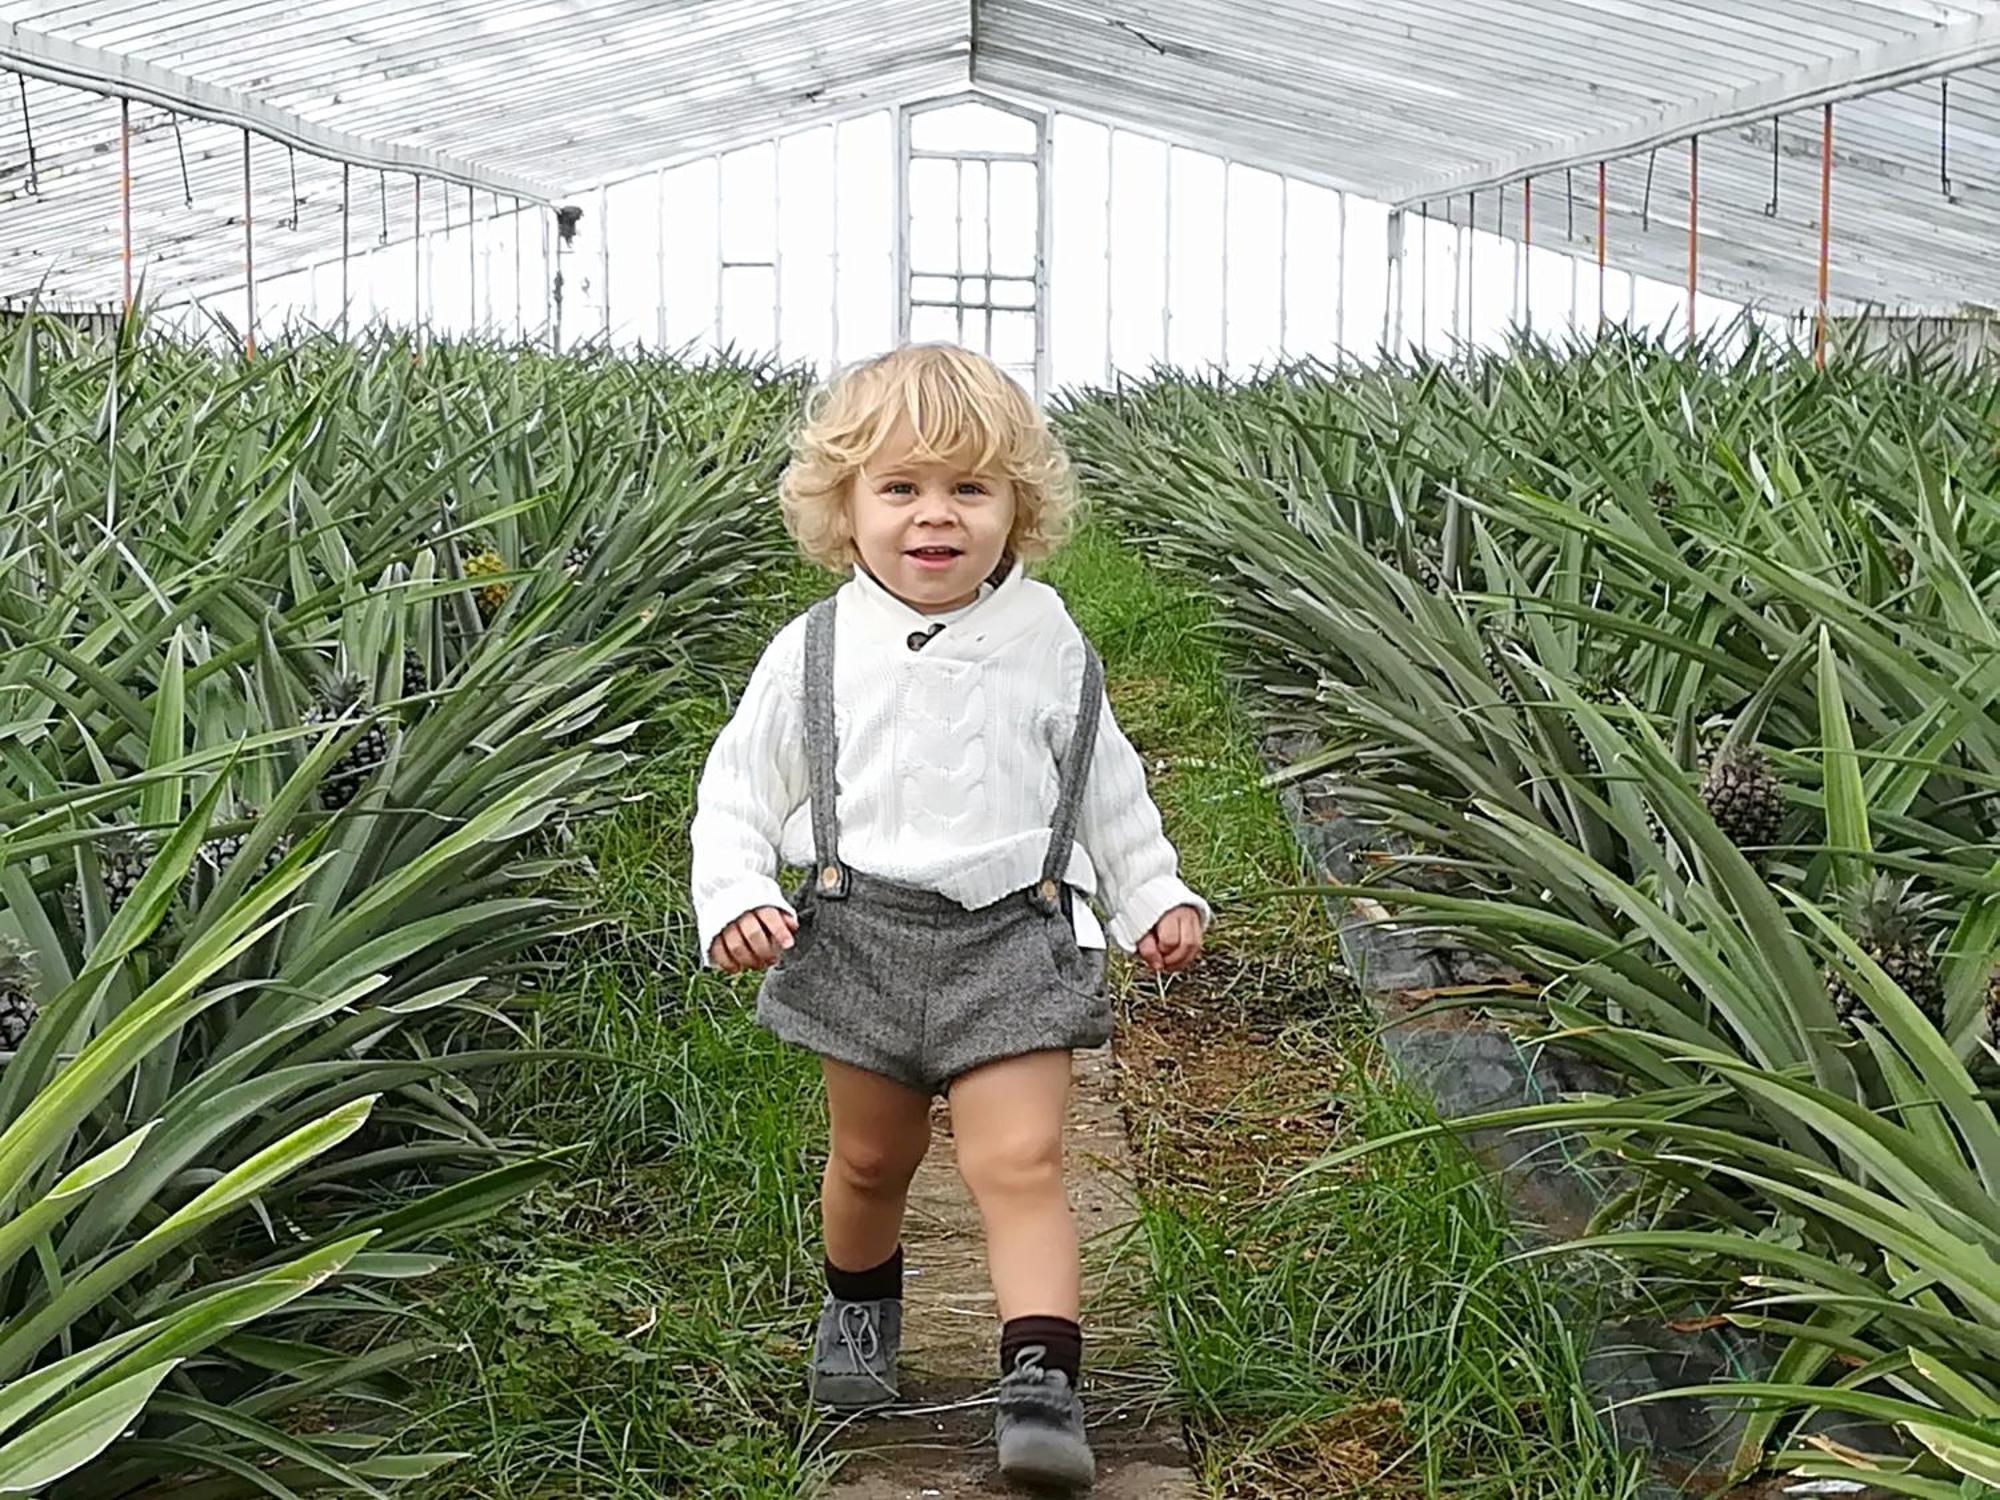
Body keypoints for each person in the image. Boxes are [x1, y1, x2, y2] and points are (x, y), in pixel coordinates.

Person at [689, 342, 1209, 1489]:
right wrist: (735, 894)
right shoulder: (813, 649)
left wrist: (1153, 891)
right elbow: (737, 790)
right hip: (857, 932)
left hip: (1011, 936)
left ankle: (1039, 1385)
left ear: (1019, 507)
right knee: (873, 1158)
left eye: (970, 489)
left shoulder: (1047, 640)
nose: (936, 517)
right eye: (901, 489)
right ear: (843, 507)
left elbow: (1104, 783)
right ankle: (860, 1311)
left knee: (1019, 1159)